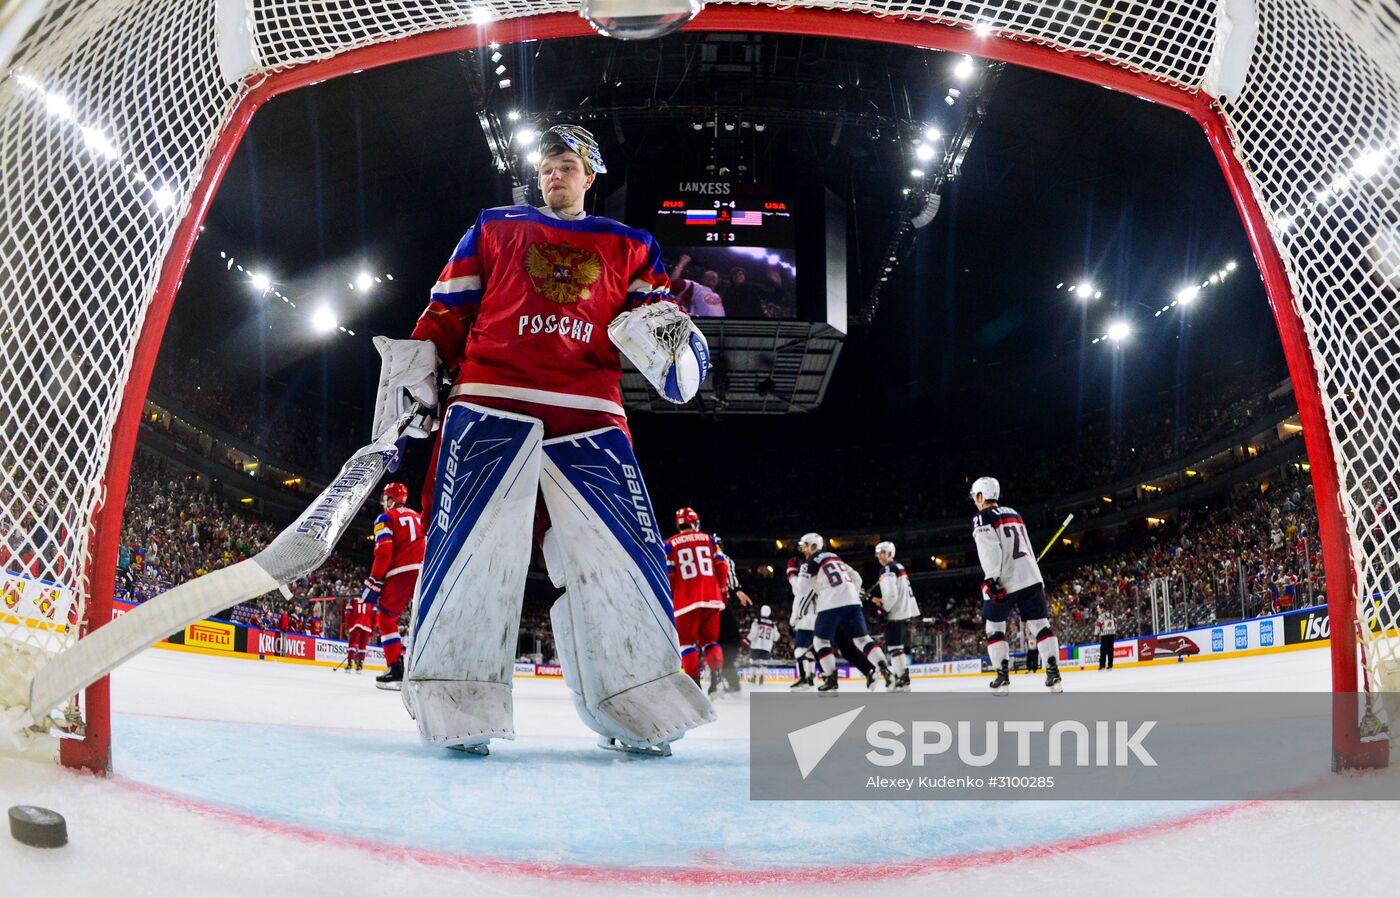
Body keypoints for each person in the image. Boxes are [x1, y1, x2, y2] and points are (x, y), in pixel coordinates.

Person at [373, 124, 712, 756]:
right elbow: (447, 309)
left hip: (590, 408)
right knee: (471, 553)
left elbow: (660, 322)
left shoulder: (632, 246)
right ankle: (458, 704)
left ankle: (639, 705)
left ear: (590, 175)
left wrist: (677, 347)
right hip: (489, 398)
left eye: (566, 166)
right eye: (547, 167)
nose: (553, 175)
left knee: (622, 559)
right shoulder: (495, 226)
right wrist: (418, 370)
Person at [969, 477, 1062, 695]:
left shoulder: (982, 517)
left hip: (1005, 579)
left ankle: (1002, 679)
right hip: (1030, 575)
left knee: (994, 628)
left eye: (975, 497)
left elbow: (990, 550)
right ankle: (1054, 676)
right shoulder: (1014, 513)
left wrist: (991, 579)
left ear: (981, 496)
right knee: (1041, 625)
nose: (974, 501)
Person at [792, 532, 893, 692]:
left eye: (804, 546)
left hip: (830, 604)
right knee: (862, 640)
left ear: (813, 546)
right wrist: (852, 593)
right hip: (852, 601)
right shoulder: (835, 557)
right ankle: (883, 667)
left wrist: (798, 576)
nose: (803, 550)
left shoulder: (808, 563)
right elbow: (857, 578)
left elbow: (802, 590)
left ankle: (831, 678)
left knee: (820, 642)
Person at [366, 482, 424, 690]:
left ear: (390, 499)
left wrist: (373, 581)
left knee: (386, 617)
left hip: (402, 570)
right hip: (424, 570)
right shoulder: (418, 516)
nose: (384, 503)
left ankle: (395, 669)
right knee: (421, 621)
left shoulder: (386, 518)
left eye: (385, 498)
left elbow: (383, 553)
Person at [665, 507, 729, 692]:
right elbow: (721, 565)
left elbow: (670, 574)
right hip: (711, 597)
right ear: (694, 522)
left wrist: (672, 596)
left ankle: (695, 685)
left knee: (686, 643)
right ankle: (717, 678)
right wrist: (721, 590)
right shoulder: (710, 539)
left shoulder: (669, 544)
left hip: (685, 600)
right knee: (711, 641)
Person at [872, 541, 920, 692]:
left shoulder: (887, 569)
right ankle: (903, 676)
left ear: (890, 553)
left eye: (882, 552)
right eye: (878, 553)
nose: (879, 556)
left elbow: (891, 594)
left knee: (894, 649)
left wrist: (883, 608)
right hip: (903, 612)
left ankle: (902, 677)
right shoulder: (899, 567)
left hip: (895, 613)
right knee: (897, 648)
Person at [787, 555, 817, 689]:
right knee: (811, 652)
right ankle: (810, 677)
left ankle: (804, 678)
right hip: (815, 620)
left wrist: (797, 617)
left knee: (799, 651)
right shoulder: (814, 580)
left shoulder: (806, 583)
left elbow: (803, 596)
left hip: (806, 620)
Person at [745, 605, 777, 684]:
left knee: (753, 662)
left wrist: (747, 640)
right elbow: (776, 636)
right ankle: (762, 678)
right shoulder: (773, 624)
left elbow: (754, 633)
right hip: (767, 647)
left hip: (756, 645)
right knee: (764, 663)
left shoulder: (757, 621)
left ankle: (752, 677)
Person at [344, 591, 372, 673]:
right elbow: (375, 615)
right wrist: (372, 629)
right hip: (367, 625)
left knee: (352, 644)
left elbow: (348, 614)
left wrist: (347, 627)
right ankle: (360, 663)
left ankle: (350, 663)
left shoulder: (353, 601)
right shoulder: (370, 602)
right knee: (362, 646)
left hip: (355, 624)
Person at [1093, 603, 1116, 670]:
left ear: (1102, 608)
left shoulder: (1101, 617)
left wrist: (1095, 635)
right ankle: (1110, 665)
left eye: (1099, 609)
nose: (1098, 610)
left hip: (1104, 635)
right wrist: (1114, 631)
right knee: (1110, 651)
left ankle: (1102, 666)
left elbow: (1097, 626)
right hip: (1111, 635)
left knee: (1103, 651)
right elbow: (1115, 622)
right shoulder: (1111, 615)